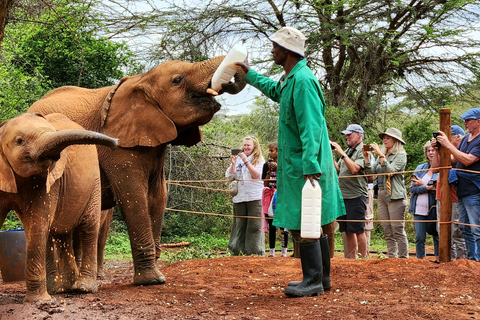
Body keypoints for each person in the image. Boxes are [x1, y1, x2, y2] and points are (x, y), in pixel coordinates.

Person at [235, 26, 345, 297]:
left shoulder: (304, 80)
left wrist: (310, 165)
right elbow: (274, 90)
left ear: (287, 50)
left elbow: (312, 127)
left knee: (303, 220)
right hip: (299, 165)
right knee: (309, 219)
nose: (272, 50)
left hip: (304, 166)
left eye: (275, 46)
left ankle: (314, 280)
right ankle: (321, 278)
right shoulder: (291, 78)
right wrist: (248, 74)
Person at [434, 108, 480, 261]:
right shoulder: (467, 138)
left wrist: (448, 144)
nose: (465, 123)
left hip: (474, 190)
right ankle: (473, 261)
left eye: (468, 120)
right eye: (465, 120)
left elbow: (468, 160)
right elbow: (455, 161)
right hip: (462, 189)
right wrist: (440, 150)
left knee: (476, 229)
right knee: (464, 228)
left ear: (478, 121)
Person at [364, 128, 409, 258]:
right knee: (387, 229)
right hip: (382, 193)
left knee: (397, 229)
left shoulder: (400, 155)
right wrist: (367, 158)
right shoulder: (383, 155)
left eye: (387, 137)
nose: (384, 140)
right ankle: (392, 257)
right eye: (384, 138)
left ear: (395, 140)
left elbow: (390, 171)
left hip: (395, 195)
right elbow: (371, 173)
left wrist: (381, 156)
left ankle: (403, 258)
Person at [331, 124, 368, 259]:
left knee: (358, 229)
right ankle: (352, 260)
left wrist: (342, 153)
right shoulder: (349, 150)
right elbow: (339, 171)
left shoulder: (362, 150)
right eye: (346, 134)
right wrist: (332, 157)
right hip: (344, 195)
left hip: (357, 195)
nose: (346, 137)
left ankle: (364, 259)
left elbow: (354, 169)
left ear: (359, 135)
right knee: (347, 229)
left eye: (349, 134)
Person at [225, 135, 265, 256]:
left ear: (254, 147)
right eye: (245, 145)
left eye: (249, 145)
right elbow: (229, 177)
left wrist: (246, 162)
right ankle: (236, 250)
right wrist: (233, 164)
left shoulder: (259, 160)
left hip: (255, 196)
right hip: (240, 197)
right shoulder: (238, 159)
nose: (246, 147)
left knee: (254, 225)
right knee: (239, 224)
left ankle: (254, 252)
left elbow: (257, 175)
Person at [432, 125, 467, 260]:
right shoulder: (445, 150)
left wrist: (446, 147)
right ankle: (448, 261)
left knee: (457, 232)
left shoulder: (461, 150)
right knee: (442, 230)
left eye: (448, 136)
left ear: (458, 137)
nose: (444, 139)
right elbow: (435, 168)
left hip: (455, 197)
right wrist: (437, 149)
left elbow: (454, 162)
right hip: (441, 196)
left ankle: (462, 262)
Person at [409, 141, 439, 262]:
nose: (431, 152)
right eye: (429, 150)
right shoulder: (420, 168)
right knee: (419, 237)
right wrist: (426, 187)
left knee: (436, 235)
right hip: (418, 208)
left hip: (434, 207)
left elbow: (438, 188)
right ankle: (420, 261)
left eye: (433, 150)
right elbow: (412, 188)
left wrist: (422, 184)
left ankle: (438, 259)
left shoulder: (441, 168)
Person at [262, 142, 289, 257]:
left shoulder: (284, 164)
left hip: (282, 195)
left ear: (278, 152)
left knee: (284, 224)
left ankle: (284, 250)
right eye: (269, 151)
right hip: (270, 195)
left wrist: (278, 169)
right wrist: (269, 171)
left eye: (272, 151)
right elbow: (264, 183)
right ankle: (272, 251)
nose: (269, 153)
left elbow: (287, 179)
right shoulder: (266, 165)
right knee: (271, 223)